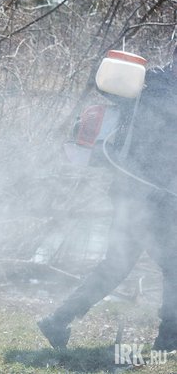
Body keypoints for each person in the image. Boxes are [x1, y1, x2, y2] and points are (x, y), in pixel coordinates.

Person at [38, 47, 177, 351]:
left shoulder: (145, 81)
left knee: (116, 263)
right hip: (155, 197)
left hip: (128, 191)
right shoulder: (169, 91)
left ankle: (57, 320)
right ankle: (168, 340)